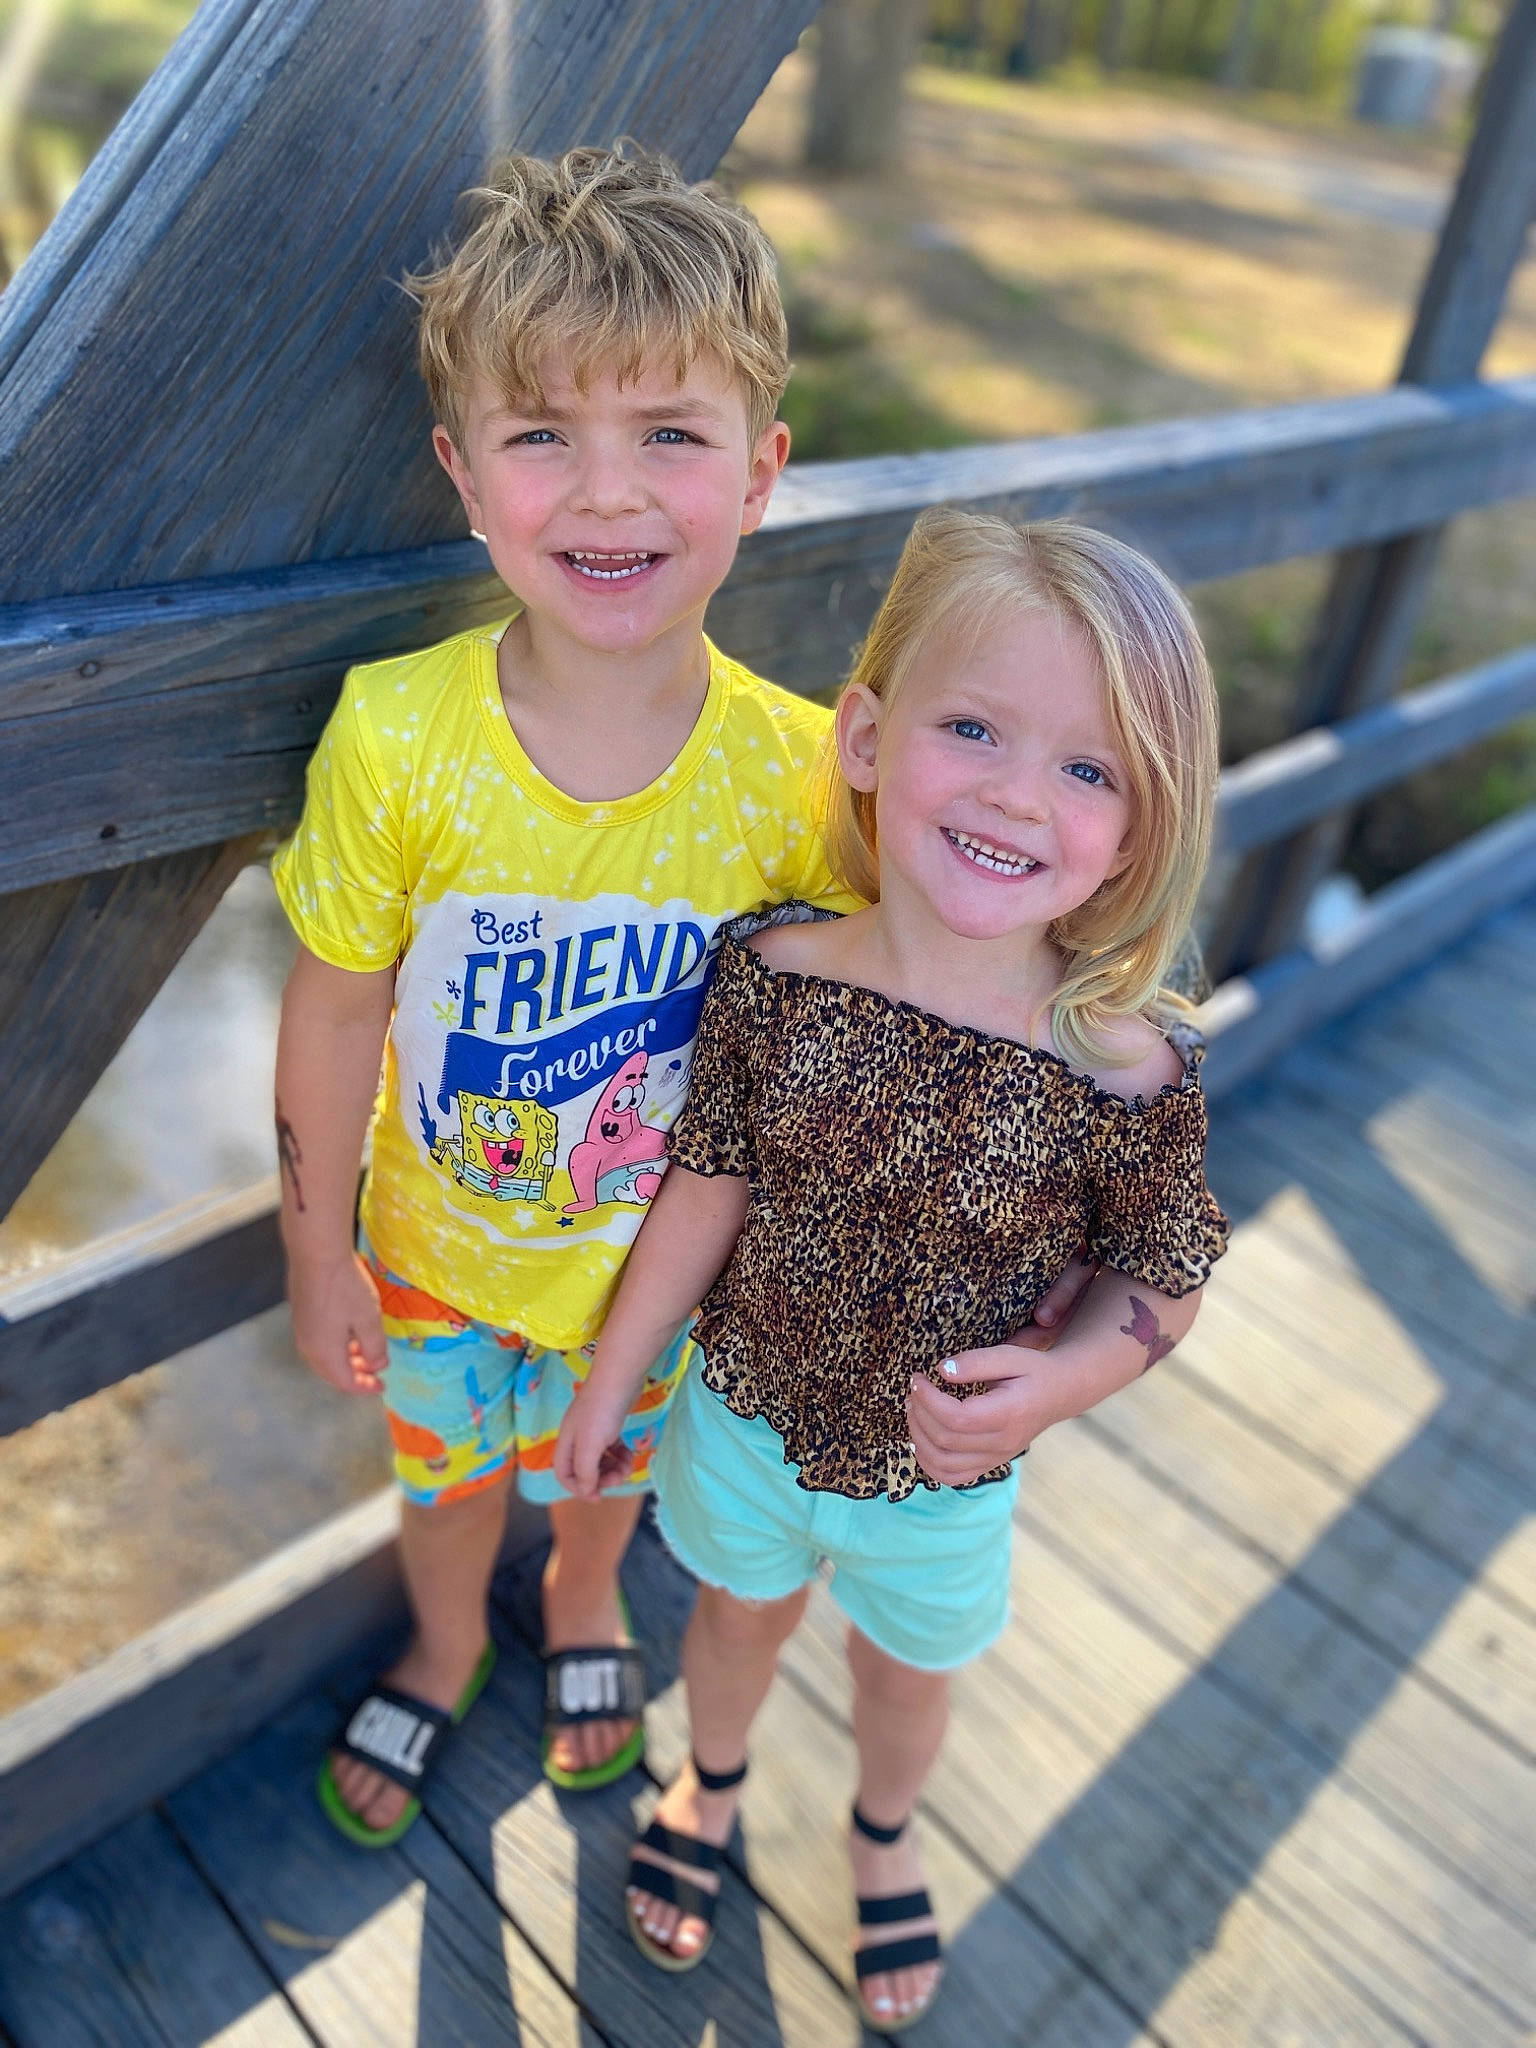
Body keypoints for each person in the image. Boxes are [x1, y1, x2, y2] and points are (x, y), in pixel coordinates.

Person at [556, 508, 1231, 2032]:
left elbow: (1163, 1281)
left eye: (1087, 768)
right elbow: (702, 1185)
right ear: (866, 734)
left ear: (1139, 822)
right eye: (974, 727)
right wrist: (615, 1376)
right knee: (732, 1619)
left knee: (907, 1674)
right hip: (743, 1415)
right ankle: (708, 1785)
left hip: (944, 1479)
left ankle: (882, 1830)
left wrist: (1059, 1385)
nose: (1013, 793)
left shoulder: (1122, 1072)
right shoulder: (778, 974)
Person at [269, 143, 872, 1845]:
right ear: (465, 475)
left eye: (668, 435)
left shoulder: (806, 781)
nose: (608, 495)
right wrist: (318, 1252)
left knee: (604, 1491)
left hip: (662, 1281)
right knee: (447, 1495)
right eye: (544, 435)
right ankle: (452, 1638)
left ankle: (590, 1608)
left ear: (761, 471)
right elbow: (331, 1007)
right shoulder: (401, 735)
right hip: (440, 1260)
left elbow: (848, 1041)